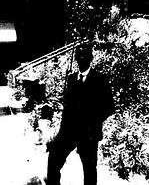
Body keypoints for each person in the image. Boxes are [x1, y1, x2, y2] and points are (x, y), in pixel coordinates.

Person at [46, 42, 114, 185]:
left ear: (90, 58)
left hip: (89, 134)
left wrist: (92, 122)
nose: (81, 59)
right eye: (79, 56)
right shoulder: (71, 79)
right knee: (53, 159)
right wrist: (60, 133)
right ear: (76, 58)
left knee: (89, 170)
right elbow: (67, 108)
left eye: (85, 56)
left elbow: (109, 107)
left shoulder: (100, 79)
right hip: (69, 132)